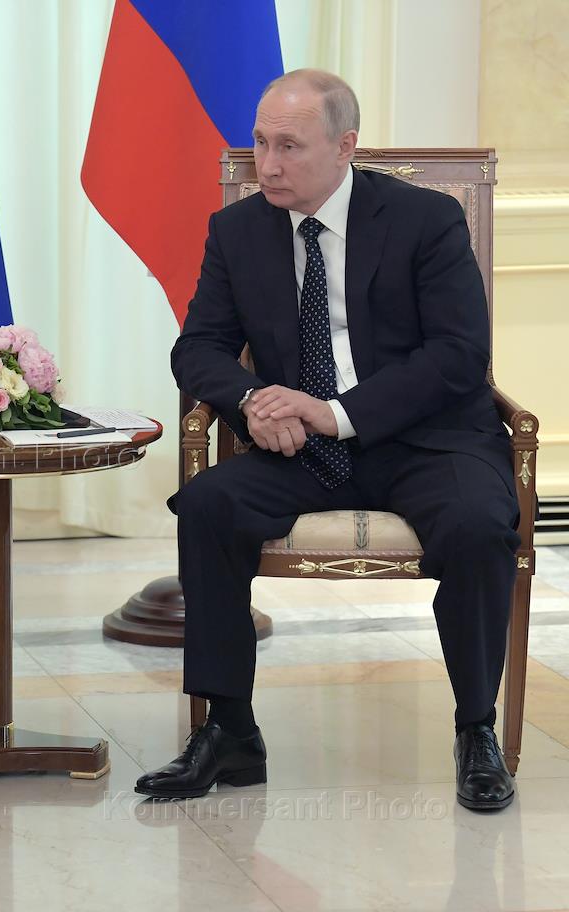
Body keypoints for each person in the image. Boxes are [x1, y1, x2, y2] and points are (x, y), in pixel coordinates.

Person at [141, 69, 518, 812]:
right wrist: (253, 400)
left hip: (428, 440)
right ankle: (230, 729)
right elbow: (199, 348)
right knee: (209, 506)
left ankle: (475, 728)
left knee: (478, 526)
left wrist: (335, 412)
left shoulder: (425, 219)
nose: (268, 164)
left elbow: (458, 355)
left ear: (346, 146)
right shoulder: (238, 230)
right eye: (259, 143)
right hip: (300, 450)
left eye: (289, 146)